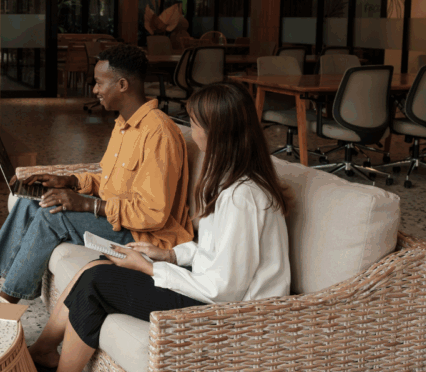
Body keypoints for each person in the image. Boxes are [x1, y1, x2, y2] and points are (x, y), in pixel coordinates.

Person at [28, 81, 291, 372]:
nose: (194, 132)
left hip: (232, 312)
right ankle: (44, 353)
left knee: (96, 283)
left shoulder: (243, 197)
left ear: (216, 133)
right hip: (213, 289)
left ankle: (49, 358)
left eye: (194, 124)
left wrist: (149, 268)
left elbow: (224, 290)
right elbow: (215, 250)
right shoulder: (230, 180)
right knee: (100, 268)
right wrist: (167, 256)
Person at [0, 44, 194, 303]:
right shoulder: (124, 124)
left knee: (51, 216)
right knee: (27, 202)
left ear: (122, 85)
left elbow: (152, 214)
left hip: (142, 235)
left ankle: (4, 302)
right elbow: (110, 182)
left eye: (99, 83)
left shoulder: (159, 133)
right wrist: (69, 181)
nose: (94, 90)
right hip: (121, 221)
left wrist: (89, 205)